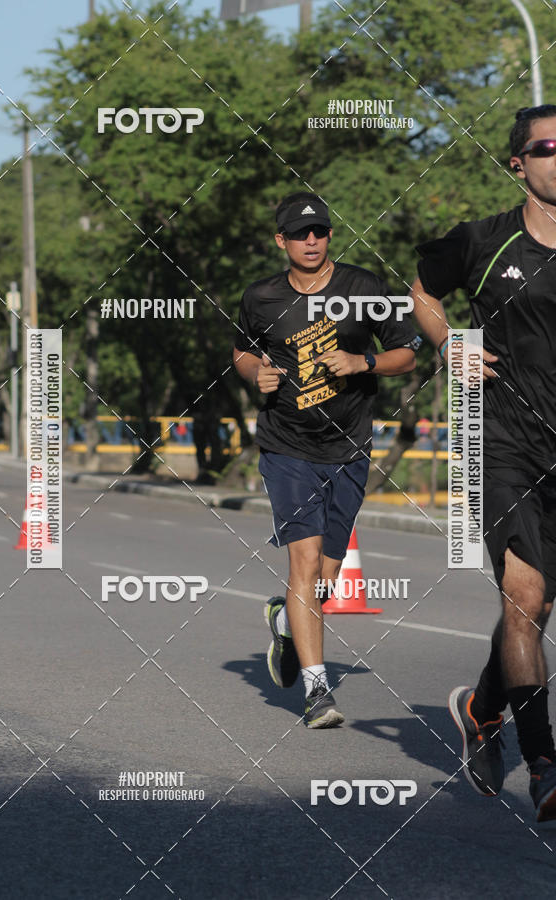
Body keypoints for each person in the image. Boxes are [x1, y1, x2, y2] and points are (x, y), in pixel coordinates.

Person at [411, 105, 556, 821]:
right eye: (548, 147)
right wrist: (451, 344)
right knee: (524, 599)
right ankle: (546, 764)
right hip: (502, 444)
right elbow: (423, 291)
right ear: (518, 163)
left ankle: (480, 708)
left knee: (537, 605)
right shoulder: (482, 241)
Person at [233, 191, 419, 727]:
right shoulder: (262, 296)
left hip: (349, 447)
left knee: (325, 580)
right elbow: (243, 350)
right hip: (286, 445)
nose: (310, 241)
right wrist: (255, 375)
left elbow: (407, 353)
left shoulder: (364, 288)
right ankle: (318, 692)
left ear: (330, 236)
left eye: (318, 232)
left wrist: (364, 361)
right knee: (305, 561)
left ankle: (287, 623)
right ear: (281, 241)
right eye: (299, 234)